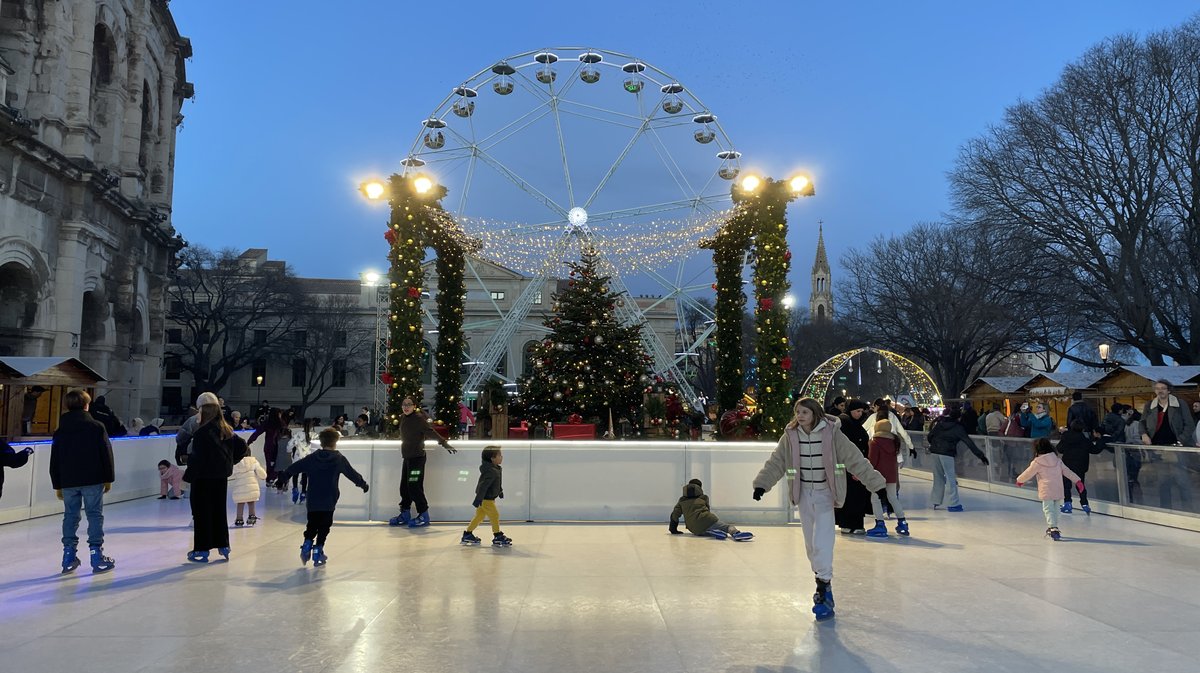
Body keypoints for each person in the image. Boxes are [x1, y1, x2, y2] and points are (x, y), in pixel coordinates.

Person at [752, 398, 886, 621]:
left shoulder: (832, 434)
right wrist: (762, 484)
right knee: (810, 546)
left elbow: (855, 460)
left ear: (815, 414)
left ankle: (823, 588)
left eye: (805, 412)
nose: (800, 416)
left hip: (825, 494)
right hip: (804, 494)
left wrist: (877, 485)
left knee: (822, 540)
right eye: (797, 412)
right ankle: (822, 580)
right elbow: (777, 461)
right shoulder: (791, 436)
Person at [274, 428, 369, 566]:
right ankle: (318, 549)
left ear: (321, 442)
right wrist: (363, 484)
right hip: (329, 498)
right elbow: (352, 474)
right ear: (335, 442)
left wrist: (281, 479)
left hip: (313, 498)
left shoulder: (312, 458)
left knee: (312, 523)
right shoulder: (339, 459)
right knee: (324, 525)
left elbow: (294, 468)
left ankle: (307, 544)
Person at [49, 389, 116, 574]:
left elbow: (54, 459)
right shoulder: (96, 427)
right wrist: (108, 478)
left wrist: (58, 484)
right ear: (86, 405)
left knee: (70, 515)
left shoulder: (60, 431)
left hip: (69, 480)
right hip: (92, 479)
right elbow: (106, 454)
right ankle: (96, 554)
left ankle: (68, 555)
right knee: (94, 515)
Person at [184, 399, 247, 563]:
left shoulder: (201, 433)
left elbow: (197, 459)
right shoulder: (227, 431)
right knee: (219, 511)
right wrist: (229, 462)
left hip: (203, 478)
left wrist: (188, 477)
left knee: (201, 513)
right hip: (220, 477)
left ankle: (202, 549)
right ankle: (223, 545)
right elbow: (243, 447)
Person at [388, 397, 456, 528]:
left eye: (408, 405)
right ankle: (405, 513)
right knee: (404, 487)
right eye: (404, 404)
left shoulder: (419, 419)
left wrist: (444, 443)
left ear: (414, 406)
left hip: (417, 459)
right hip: (407, 458)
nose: (406, 407)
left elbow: (431, 432)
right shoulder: (403, 417)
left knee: (414, 486)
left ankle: (424, 515)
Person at [1016, 438, 1084, 541]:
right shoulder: (1057, 461)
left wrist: (1020, 480)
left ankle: (1053, 527)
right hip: (1058, 488)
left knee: (1048, 509)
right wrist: (1078, 481)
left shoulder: (1037, 462)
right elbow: (1068, 472)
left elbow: (1028, 473)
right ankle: (1054, 526)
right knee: (1056, 509)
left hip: (1046, 489)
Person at [927, 406, 989, 511]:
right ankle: (953, 503)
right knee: (951, 478)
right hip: (947, 453)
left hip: (934, 452)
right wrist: (981, 455)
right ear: (959, 418)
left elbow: (930, 436)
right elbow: (969, 442)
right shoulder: (958, 428)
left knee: (938, 477)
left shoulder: (940, 424)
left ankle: (935, 501)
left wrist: (934, 445)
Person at [461, 446, 515, 546]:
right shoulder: (491, 471)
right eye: (499, 455)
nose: (501, 457)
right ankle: (497, 535)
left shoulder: (496, 469)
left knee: (479, 517)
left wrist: (500, 491)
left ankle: (467, 534)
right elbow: (483, 486)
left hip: (488, 498)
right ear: (492, 458)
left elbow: (496, 483)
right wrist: (478, 499)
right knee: (495, 515)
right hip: (486, 499)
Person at [668, 478, 753, 541]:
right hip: (707, 519)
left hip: (693, 528)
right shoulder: (703, 497)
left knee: (702, 530)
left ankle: (713, 532)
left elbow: (674, 515)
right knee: (727, 527)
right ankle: (736, 533)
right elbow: (707, 510)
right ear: (699, 488)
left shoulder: (682, 500)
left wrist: (673, 530)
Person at [866, 419, 909, 537]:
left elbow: (872, 461)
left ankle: (880, 525)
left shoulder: (874, 442)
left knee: (875, 499)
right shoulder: (895, 442)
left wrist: (865, 473)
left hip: (878, 476)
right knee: (893, 498)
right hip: (891, 475)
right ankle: (902, 522)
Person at [834, 399, 872, 534]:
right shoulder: (844, 423)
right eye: (857, 411)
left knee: (856, 497)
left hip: (856, 466)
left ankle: (855, 524)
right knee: (850, 496)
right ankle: (847, 523)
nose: (860, 414)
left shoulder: (854, 424)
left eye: (861, 412)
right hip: (847, 467)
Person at [1056, 420, 1102, 515]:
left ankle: (1067, 503)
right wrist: (1100, 440)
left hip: (1067, 465)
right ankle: (1085, 504)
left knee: (1066, 485)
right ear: (1082, 429)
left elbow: (1059, 449)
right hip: (1081, 465)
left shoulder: (1066, 437)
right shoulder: (1084, 440)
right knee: (1080, 484)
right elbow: (1095, 450)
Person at [1140, 379, 1196, 447]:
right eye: (1157, 388)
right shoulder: (1149, 405)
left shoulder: (1180, 404)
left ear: (1169, 390)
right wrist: (1143, 434)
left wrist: (1181, 440)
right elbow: (1142, 422)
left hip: (1176, 445)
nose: (1160, 391)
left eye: (1163, 388)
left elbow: (1190, 424)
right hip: (1155, 444)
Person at [229, 451, 267, 527]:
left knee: (240, 503)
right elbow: (262, 473)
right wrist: (263, 476)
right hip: (252, 488)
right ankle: (252, 517)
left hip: (240, 489)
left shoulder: (236, 463)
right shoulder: (254, 462)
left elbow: (230, 474)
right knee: (251, 502)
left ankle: (239, 519)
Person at [247, 408, 285, 482]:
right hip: (278, 446)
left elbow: (257, 432)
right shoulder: (281, 423)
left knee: (269, 463)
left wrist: (249, 441)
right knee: (276, 463)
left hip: (269, 446)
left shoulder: (267, 423)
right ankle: (273, 478)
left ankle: (269, 478)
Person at [287, 418, 318, 504]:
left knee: (295, 474)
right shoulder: (315, 436)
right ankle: (304, 492)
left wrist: (289, 451)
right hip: (308, 459)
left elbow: (289, 445)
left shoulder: (298, 434)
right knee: (305, 476)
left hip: (298, 458)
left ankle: (295, 488)